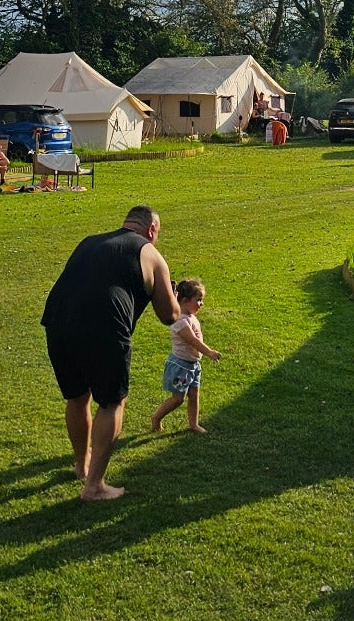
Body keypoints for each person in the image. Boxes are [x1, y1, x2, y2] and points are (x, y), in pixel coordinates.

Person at [41, 204, 180, 501]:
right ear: (151, 230)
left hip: (57, 319)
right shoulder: (151, 254)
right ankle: (94, 486)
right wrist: (174, 294)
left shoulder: (90, 241)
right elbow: (169, 315)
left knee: (77, 396)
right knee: (112, 402)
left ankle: (81, 464)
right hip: (105, 325)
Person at [150, 277, 222, 434]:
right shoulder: (180, 322)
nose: (201, 304)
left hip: (193, 365)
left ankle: (193, 424)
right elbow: (193, 341)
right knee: (178, 399)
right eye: (198, 300)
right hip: (181, 366)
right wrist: (209, 352)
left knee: (194, 395)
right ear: (184, 300)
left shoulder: (190, 316)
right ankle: (156, 417)